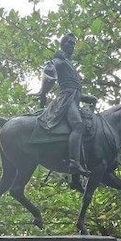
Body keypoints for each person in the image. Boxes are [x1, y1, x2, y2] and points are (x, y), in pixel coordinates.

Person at [38, 31, 97, 176]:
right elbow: (49, 72)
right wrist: (43, 92)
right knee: (78, 125)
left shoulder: (69, 64)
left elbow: (75, 89)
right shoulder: (60, 60)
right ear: (63, 44)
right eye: (69, 43)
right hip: (66, 100)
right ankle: (74, 163)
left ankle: (76, 178)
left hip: (74, 99)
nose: (72, 46)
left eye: (73, 44)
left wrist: (87, 97)